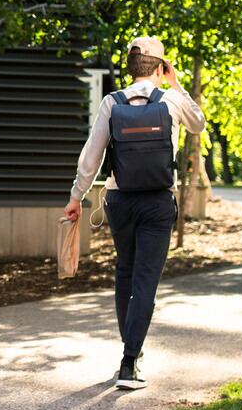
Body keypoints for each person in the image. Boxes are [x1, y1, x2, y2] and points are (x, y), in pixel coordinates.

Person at [63, 36, 205, 391]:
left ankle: (131, 353)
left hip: (119, 200)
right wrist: (176, 83)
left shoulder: (112, 102)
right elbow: (198, 124)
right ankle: (130, 363)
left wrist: (76, 196)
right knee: (145, 279)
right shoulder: (171, 99)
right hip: (158, 201)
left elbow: (92, 155)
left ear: (130, 67)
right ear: (160, 67)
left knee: (125, 272)